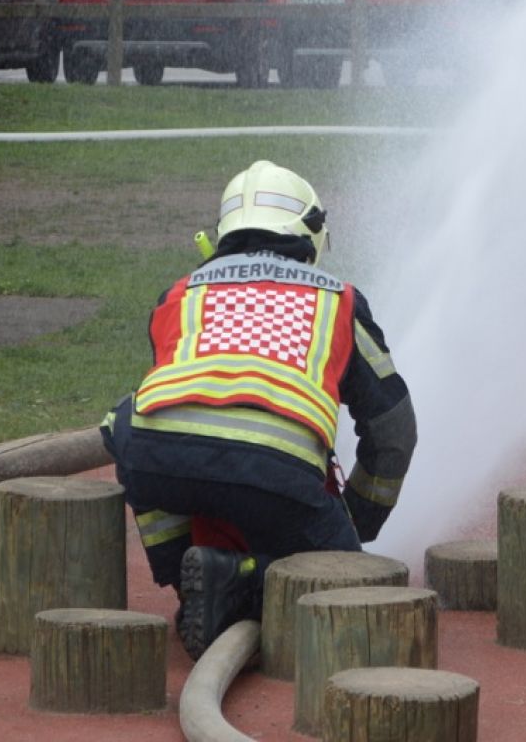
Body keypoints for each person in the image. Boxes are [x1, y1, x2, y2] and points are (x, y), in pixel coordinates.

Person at [102, 160, 417, 659]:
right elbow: (394, 430)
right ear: (311, 233)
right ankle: (244, 578)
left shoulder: (179, 294)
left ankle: (191, 576)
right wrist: (356, 523)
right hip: (276, 470)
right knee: (346, 592)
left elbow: (180, 403)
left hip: (155, 461)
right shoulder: (337, 300)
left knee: (133, 425)